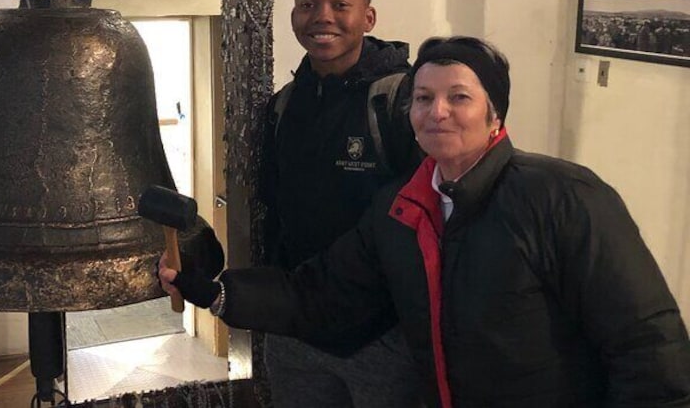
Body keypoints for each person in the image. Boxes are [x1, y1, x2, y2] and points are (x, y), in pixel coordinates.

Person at [160, 35, 690, 408]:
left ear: (495, 114)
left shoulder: (563, 197)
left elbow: (647, 346)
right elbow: (319, 292)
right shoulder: (401, 209)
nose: (438, 112)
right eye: (423, 98)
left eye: (459, 97)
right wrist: (212, 291)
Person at [257, 0, 424, 407]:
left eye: (339, 4)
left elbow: (429, 222)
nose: (321, 16)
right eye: (307, 5)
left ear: (367, 18)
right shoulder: (285, 104)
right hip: (297, 331)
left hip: (382, 335)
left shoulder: (404, 101)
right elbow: (275, 209)